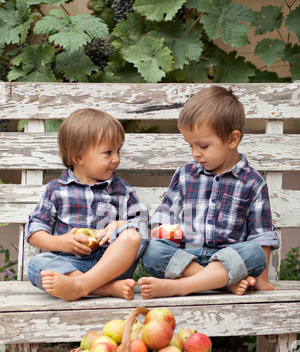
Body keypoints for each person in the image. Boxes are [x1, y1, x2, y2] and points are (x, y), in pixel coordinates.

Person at [138, 85, 280, 299]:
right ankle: (220, 284)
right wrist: (163, 230)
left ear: (232, 139)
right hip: (186, 257)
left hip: (228, 258)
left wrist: (261, 280)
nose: (196, 153)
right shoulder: (186, 174)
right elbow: (166, 212)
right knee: (152, 251)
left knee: (254, 253)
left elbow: (262, 235)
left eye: (203, 146)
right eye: (190, 146)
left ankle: (181, 287)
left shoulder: (253, 182)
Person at [26, 108, 148, 301]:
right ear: (78, 157)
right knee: (36, 264)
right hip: (69, 265)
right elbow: (34, 232)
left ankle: (84, 285)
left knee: (132, 236)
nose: (116, 159)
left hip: (111, 266)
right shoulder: (56, 190)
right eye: (108, 152)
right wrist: (62, 242)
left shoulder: (122, 190)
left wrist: (121, 226)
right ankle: (106, 289)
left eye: (118, 151)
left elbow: (142, 224)